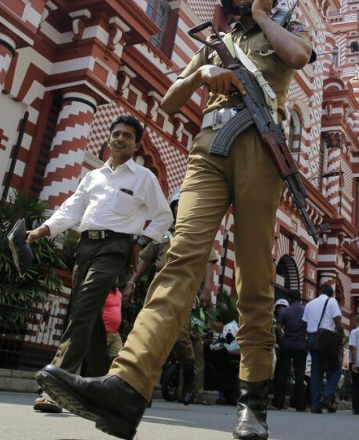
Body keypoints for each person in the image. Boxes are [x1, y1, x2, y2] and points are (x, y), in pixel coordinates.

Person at [34, 0, 315, 440]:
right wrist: (206, 72)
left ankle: (253, 403)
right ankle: (127, 386)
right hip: (209, 150)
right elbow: (167, 102)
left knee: (253, 282)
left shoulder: (283, 27)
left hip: (259, 150)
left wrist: (267, 17)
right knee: (181, 258)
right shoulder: (216, 42)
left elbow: (296, 57)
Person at [26, 114, 173, 413]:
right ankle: (108, 387)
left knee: (82, 310)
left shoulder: (144, 178)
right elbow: (71, 209)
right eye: (116, 134)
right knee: (89, 317)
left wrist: (140, 242)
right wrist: (43, 230)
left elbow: (164, 216)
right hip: (85, 246)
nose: (120, 139)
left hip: (115, 247)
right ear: (109, 137)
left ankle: (56, 387)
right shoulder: (93, 177)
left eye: (127, 136)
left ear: (136, 144)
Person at [126, 188, 218, 405]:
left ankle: (188, 370)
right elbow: (145, 261)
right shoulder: (161, 234)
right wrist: (131, 282)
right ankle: (142, 389)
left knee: (179, 336)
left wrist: (206, 290)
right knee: (149, 336)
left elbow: (208, 262)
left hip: (185, 292)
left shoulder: (198, 232)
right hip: (158, 290)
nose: (180, 208)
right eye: (177, 204)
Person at [303, 284, 344, 414]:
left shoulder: (309, 304)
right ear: (331, 293)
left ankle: (315, 406)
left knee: (316, 373)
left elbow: (305, 323)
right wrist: (342, 335)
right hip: (327, 338)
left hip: (312, 338)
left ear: (319, 292)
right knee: (336, 369)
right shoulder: (332, 301)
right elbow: (337, 320)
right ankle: (327, 395)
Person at [271, 289, 307, 412]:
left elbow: (278, 328)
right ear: (300, 299)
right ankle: (299, 404)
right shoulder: (305, 311)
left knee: (282, 375)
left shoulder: (285, 311)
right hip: (301, 346)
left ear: (290, 299)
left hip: (287, 345)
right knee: (299, 376)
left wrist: (281, 342)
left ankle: (278, 403)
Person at [102, 286, 124, 361]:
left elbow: (118, 309)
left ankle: (110, 372)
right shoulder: (103, 291)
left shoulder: (119, 294)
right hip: (104, 332)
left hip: (115, 333)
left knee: (118, 359)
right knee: (98, 360)